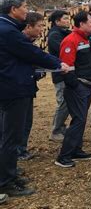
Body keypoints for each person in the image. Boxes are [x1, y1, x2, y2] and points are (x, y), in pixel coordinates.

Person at [0, 0, 66, 196]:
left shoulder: (8, 27)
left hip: (12, 86)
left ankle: (9, 173)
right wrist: (57, 63)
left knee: (9, 134)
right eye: (25, 6)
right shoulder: (7, 31)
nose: (27, 10)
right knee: (11, 136)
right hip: (13, 88)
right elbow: (31, 53)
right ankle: (5, 182)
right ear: (13, 9)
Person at [55, 11, 91, 168]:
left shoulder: (88, 39)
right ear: (81, 24)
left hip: (88, 84)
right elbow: (66, 66)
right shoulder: (71, 40)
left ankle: (76, 149)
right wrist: (75, 85)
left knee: (81, 119)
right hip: (78, 86)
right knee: (78, 119)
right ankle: (63, 156)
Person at [17, 12, 47, 161]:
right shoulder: (18, 44)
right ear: (29, 26)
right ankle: (16, 152)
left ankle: (21, 150)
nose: (42, 29)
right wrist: (36, 73)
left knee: (26, 121)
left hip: (28, 88)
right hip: (17, 90)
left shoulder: (30, 42)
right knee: (17, 123)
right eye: (40, 26)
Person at [47, 9, 71, 142]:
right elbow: (63, 53)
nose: (68, 21)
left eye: (68, 18)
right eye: (65, 19)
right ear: (57, 21)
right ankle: (55, 131)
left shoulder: (64, 33)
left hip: (67, 72)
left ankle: (61, 127)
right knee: (63, 102)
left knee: (66, 102)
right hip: (60, 73)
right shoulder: (55, 35)